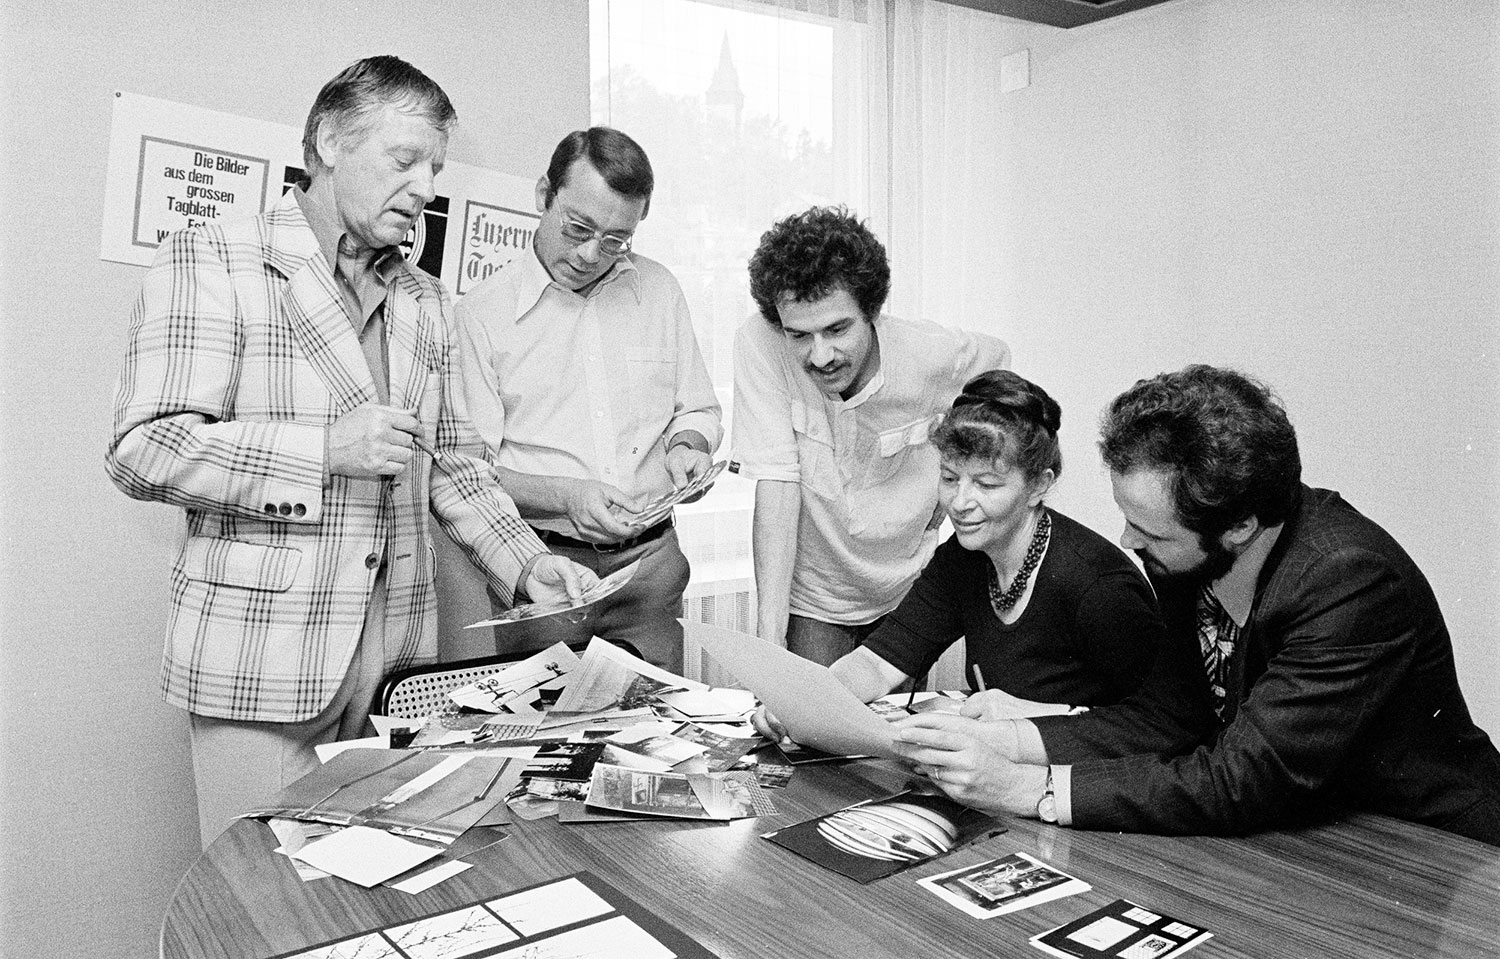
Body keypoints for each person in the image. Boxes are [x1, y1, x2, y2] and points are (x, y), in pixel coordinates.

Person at [105, 56, 592, 845]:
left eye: (433, 166)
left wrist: (529, 565)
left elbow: (455, 465)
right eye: (405, 161)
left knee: (368, 898)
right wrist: (321, 450)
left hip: (398, 670)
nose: (426, 186)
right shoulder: (214, 257)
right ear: (330, 141)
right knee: (259, 906)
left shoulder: (429, 300)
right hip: (262, 667)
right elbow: (142, 448)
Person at [894, 365, 1500, 846]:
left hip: (1433, 845)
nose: (1129, 544)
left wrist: (1028, 788)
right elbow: (1163, 720)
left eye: (1150, 533)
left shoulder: (1347, 580)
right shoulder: (1191, 555)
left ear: (1237, 526)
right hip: (1310, 835)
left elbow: (1242, 778)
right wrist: (1010, 739)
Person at [753, 371, 1164, 740]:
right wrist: (805, 704)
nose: (960, 502)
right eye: (950, 478)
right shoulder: (964, 558)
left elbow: (1163, 722)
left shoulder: (1099, 585)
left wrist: (1037, 716)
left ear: (1038, 486)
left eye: (986, 484)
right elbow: (879, 662)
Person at [455, 127, 721, 673]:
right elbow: (468, 475)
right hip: (544, 572)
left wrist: (686, 447)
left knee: (658, 743)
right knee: (546, 746)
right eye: (578, 228)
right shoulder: (480, 315)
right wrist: (566, 495)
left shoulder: (659, 290)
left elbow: (695, 409)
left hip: (652, 570)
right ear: (541, 195)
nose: (589, 254)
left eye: (616, 240)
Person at [733, 206, 1011, 665]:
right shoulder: (760, 344)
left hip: (905, 587)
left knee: (886, 731)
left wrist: (943, 501)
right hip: (815, 596)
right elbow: (778, 484)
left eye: (837, 329)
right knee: (809, 729)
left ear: (872, 311)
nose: (820, 356)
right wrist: (769, 646)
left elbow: (998, 370)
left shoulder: (932, 354)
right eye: (799, 335)